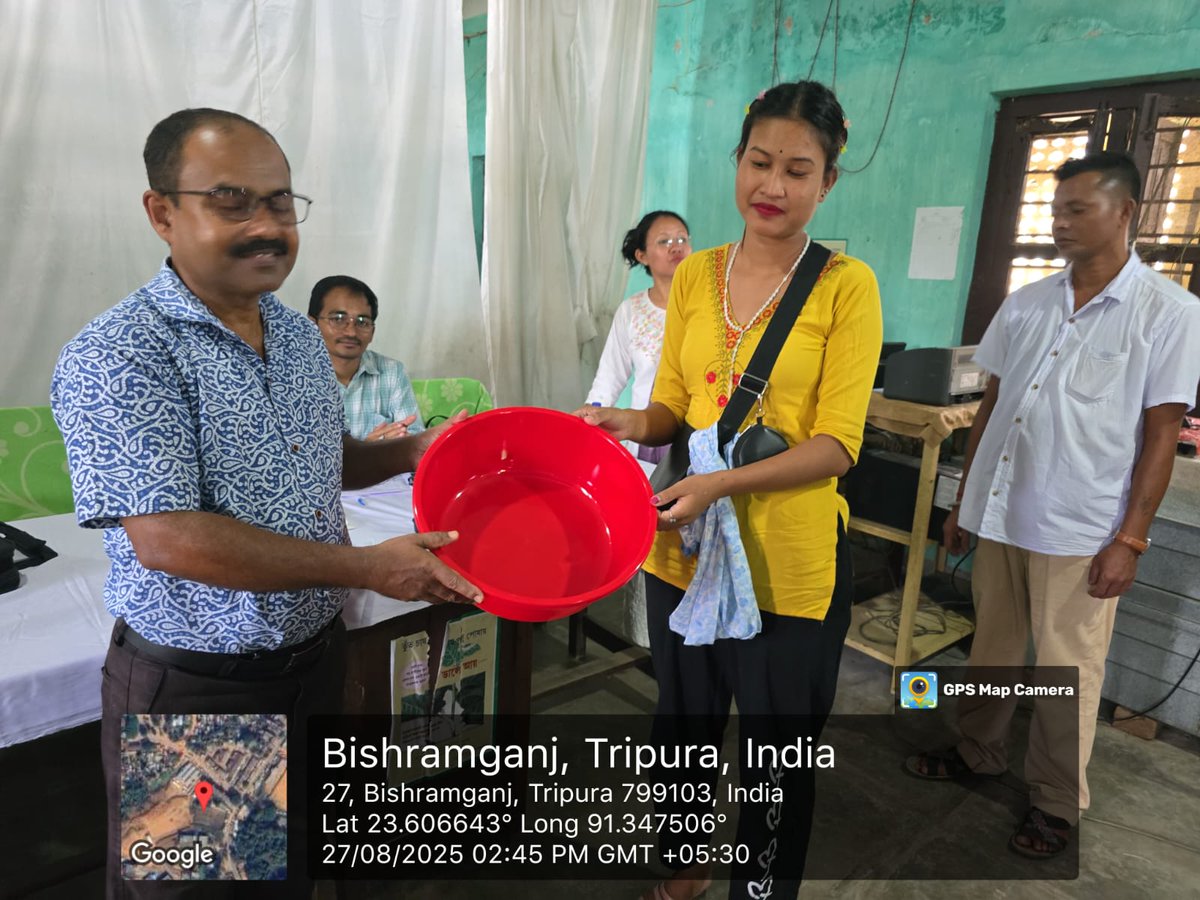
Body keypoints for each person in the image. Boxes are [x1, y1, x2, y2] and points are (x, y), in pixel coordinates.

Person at [50, 108, 482, 899]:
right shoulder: (121, 353)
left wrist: (419, 448)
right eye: (232, 201)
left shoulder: (292, 336)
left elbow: (322, 462)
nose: (268, 226)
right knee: (203, 889)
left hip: (315, 666)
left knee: (292, 876)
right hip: (202, 696)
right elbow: (170, 539)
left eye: (281, 202)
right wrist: (366, 568)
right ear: (162, 213)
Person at [578, 81, 882, 899]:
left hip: (788, 562)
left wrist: (720, 483)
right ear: (737, 162)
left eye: (797, 169)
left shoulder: (846, 286)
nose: (772, 187)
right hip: (685, 549)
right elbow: (676, 407)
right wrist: (623, 423)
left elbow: (837, 445)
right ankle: (684, 867)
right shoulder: (698, 273)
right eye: (759, 162)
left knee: (777, 752)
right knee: (681, 729)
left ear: (828, 183)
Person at [906, 151, 1200, 860]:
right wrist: (962, 503)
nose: (1060, 222)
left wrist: (1130, 540)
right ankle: (979, 750)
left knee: (1068, 668)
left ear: (1125, 212)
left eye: (1078, 210)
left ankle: (1057, 803)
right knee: (994, 649)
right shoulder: (1028, 303)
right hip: (1003, 515)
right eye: (1056, 209)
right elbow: (993, 407)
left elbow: (1163, 432)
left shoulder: (1169, 313)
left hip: (1082, 527)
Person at [586, 210, 691, 462]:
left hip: (698, 433)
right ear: (642, 255)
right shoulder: (632, 311)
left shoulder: (708, 307)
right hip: (648, 435)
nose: (675, 247)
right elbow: (609, 378)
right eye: (664, 241)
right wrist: (590, 421)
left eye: (682, 239)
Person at [308, 274, 425, 441]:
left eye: (362, 322)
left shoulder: (392, 372)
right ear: (312, 325)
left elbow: (414, 438)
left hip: (385, 467)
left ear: (372, 332)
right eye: (338, 319)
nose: (351, 332)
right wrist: (368, 451)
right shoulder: (293, 376)